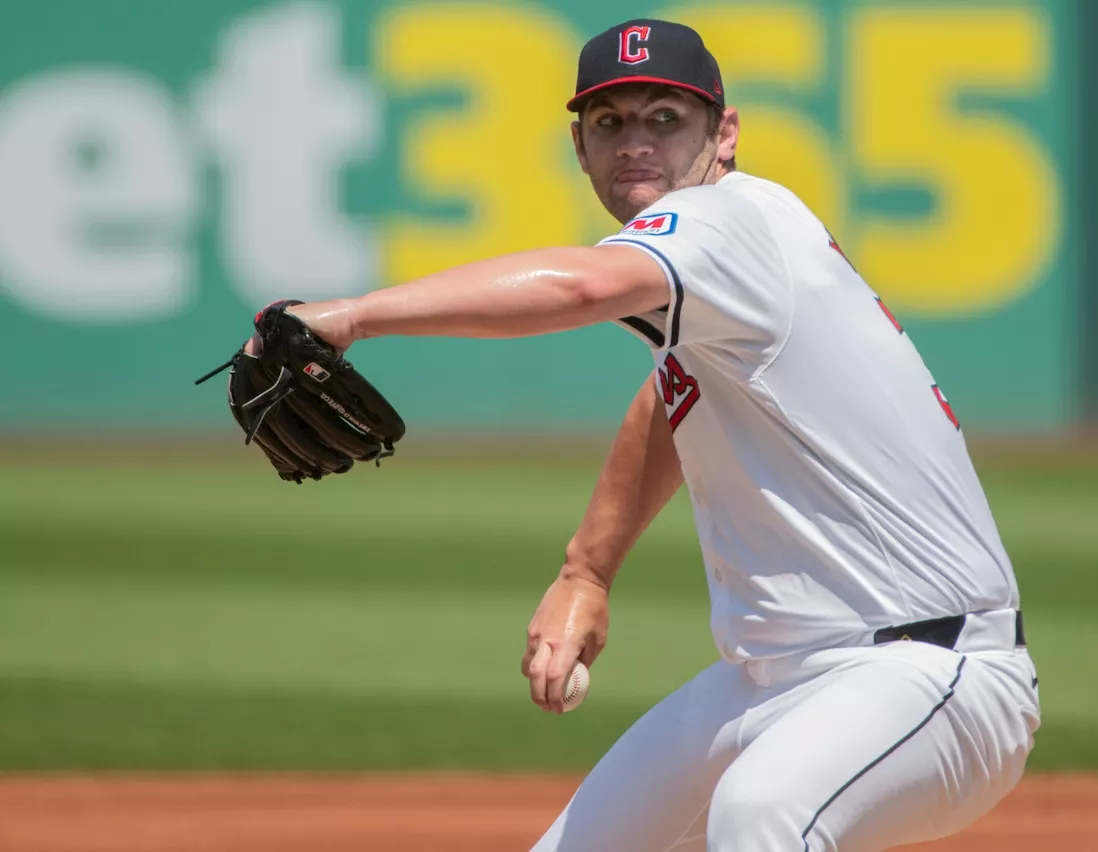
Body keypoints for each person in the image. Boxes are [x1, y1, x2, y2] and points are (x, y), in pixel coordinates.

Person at [282, 18, 1040, 852]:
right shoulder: (717, 277)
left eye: (664, 117)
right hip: (768, 683)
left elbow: (578, 287)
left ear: (725, 132)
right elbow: (671, 398)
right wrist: (587, 570)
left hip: (928, 673)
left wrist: (353, 315)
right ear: (579, 146)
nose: (634, 141)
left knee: (763, 815)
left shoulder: (730, 221)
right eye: (610, 123)